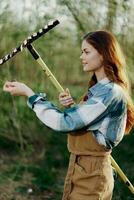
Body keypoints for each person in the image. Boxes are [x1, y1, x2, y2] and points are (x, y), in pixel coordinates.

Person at [3, 30, 134, 200]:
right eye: (81, 52)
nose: (81, 57)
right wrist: (73, 107)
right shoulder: (99, 90)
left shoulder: (110, 93)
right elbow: (89, 123)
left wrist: (30, 95)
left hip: (93, 174)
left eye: (86, 52)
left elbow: (62, 123)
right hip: (81, 167)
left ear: (104, 54)